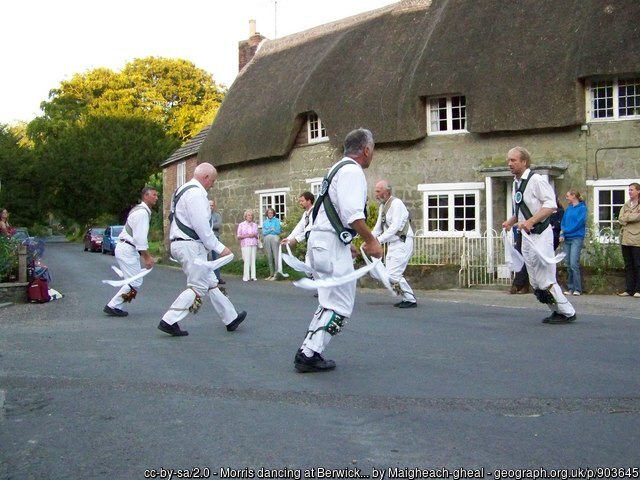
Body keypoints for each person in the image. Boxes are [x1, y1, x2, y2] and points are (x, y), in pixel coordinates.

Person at [294, 128, 383, 373]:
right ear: (366, 150)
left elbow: (331, 214)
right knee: (341, 306)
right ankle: (309, 353)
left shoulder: (335, 170)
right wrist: (371, 241)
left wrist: (349, 243)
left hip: (321, 243)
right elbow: (353, 215)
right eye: (372, 150)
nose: (372, 154)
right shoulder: (353, 171)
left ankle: (308, 349)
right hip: (330, 245)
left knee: (327, 301)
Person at [159, 163, 247, 336]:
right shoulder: (196, 194)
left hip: (183, 243)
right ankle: (169, 320)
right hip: (190, 245)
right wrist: (220, 248)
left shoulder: (181, 190)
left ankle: (231, 318)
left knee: (211, 282)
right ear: (205, 177)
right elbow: (202, 227)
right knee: (198, 286)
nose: (213, 184)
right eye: (212, 180)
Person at [501, 146, 576, 324]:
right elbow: (521, 210)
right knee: (535, 282)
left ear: (524, 162)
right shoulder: (516, 183)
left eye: (513, 160)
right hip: (527, 237)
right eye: (509, 160)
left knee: (546, 278)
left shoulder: (536, 180)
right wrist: (511, 221)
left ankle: (567, 311)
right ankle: (556, 310)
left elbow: (551, 206)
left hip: (541, 234)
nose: (509, 163)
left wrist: (531, 222)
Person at [103, 186, 158, 317]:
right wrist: (147, 257)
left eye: (157, 195)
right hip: (127, 249)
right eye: (154, 195)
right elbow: (140, 238)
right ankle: (113, 305)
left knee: (133, 281)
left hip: (125, 248)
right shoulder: (142, 213)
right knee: (135, 282)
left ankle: (115, 305)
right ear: (145, 196)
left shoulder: (139, 210)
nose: (156, 198)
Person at [372, 180, 417, 308]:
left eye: (378, 191)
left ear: (387, 192)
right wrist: (369, 239)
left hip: (402, 242)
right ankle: (407, 297)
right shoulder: (383, 207)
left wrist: (378, 241)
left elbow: (395, 227)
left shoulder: (397, 204)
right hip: (393, 244)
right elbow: (378, 227)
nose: (376, 194)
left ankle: (410, 298)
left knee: (393, 274)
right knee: (389, 275)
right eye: (376, 191)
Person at [560, 189, 587, 296]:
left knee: (573, 263)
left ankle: (578, 288)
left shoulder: (583, 208)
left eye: (568, 196)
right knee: (567, 263)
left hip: (576, 238)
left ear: (574, 196)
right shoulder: (568, 209)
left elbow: (579, 223)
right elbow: (563, 222)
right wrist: (562, 234)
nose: (566, 198)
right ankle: (571, 287)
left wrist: (566, 230)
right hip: (567, 238)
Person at [617, 182, 640, 298]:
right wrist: (630, 217)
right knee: (628, 265)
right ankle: (629, 289)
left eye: (632, 190)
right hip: (625, 238)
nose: (630, 192)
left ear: (638, 191)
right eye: (629, 190)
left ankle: (638, 290)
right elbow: (620, 219)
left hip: (637, 239)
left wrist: (628, 217)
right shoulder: (626, 204)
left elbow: (637, 217)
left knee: (638, 264)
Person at [281, 191, 315, 256]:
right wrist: (289, 239)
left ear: (309, 201)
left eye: (302, 201)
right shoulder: (305, 214)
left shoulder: (315, 213)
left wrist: (296, 239)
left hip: (317, 243)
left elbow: (309, 229)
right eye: (300, 201)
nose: (300, 203)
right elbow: (299, 228)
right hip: (310, 243)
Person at [237, 209, 259, 282]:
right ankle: (246, 276)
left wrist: (254, 235)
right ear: (245, 216)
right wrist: (248, 236)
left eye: (251, 215)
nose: (250, 217)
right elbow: (238, 236)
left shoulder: (255, 225)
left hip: (253, 243)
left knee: (253, 260)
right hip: (245, 244)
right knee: (246, 260)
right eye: (249, 215)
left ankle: (253, 276)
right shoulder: (241, 225)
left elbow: (256, 235)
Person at [261, 207, 281, 280]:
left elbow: (278, 231)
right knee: (269, 256)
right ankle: (271, 274)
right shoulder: (265, 222)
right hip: (266, 239)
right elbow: (263, 232)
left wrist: (268, 231)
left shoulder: (276, 220)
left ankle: (276, 274)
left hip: (275, 238)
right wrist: (271, 229)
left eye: (271, 213)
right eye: (269, 213)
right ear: (267, 214)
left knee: (276, 256)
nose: (270, 214)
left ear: (273, 214)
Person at [208, 198, 225, 284]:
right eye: (209, 205)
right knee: (205, 258)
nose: (211, 207)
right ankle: (205, 278)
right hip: (206, 239)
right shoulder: (204, 215)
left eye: (212, 205)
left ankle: (217, 278)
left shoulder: (217, 215)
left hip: (215, 238)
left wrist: (208, 225)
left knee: (216, 258)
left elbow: (218, 225)